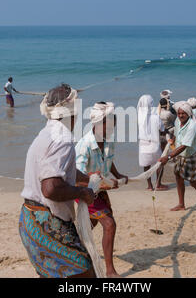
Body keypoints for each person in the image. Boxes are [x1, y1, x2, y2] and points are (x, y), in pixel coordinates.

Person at [19, 83, 96, 278]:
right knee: (85, 273)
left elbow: (60, 171)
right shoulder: (63, 139)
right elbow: (51, 188)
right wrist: (82, 193)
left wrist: (88, 180)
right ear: (73, 110)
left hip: (29, 219)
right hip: (49, 223)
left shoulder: (45, 134)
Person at [75, 102, 128, 278]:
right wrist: (95, 178)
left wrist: (118, 174)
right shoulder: (84, 145)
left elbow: (108, 160)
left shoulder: (108, 141)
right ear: (97, 124)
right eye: (110, 122)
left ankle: (75, 245)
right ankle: (110, 271)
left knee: (92, 223)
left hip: (100, 189)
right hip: (86, 191)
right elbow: (77, 177)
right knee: (109, 224)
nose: (113, 125)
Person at [159, 101, 196, 211]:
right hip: (179, 154)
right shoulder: (177, 120)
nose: (180, 115)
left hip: (190, 155)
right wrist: (173, 140)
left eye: (183, 114)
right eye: (179, 113)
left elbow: (185, 145)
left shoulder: (192, 126)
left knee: (192, 181)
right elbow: (176, 134)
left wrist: (168, 157)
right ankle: (181, 204)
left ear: (189, 114)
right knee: (178, 177)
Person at [137, 95, 166, 191]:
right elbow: (162, 130)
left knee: (146, 165)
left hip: (143, 145)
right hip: (155, 144)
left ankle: (149, 186)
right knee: (159, 164)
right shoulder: (155, 117)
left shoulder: (139, 117)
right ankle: (158, 184)